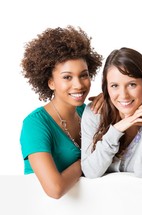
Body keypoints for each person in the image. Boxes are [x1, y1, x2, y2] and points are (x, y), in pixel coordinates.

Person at [20, 26, 103, 199]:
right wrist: (88, 163)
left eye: (83, 75)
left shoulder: (86, 112)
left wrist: (112, 105)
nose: (79, 85)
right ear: (50, 82)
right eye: (67, 77)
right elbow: (55, 189)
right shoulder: (35, 124)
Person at [81, 47, 142, 178]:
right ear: (106, 87)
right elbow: (90, 172)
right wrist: (117, 129)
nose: (123, 95)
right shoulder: (94, 112)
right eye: (114, 86)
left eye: (132, 84)